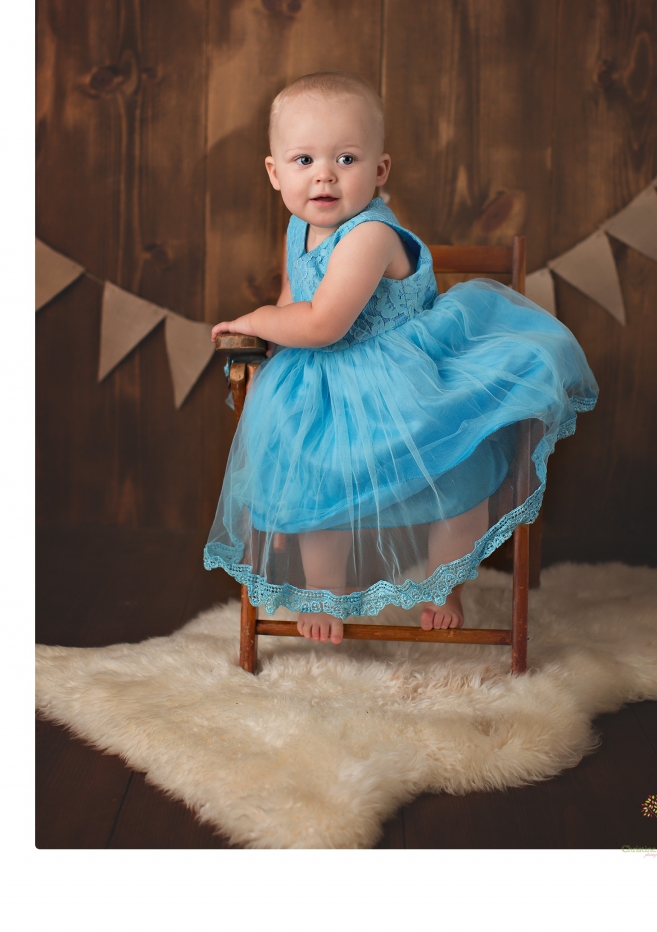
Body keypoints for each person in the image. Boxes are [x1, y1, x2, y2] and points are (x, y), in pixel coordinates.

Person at [206, 71, 598, 644]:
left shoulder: (369, 235)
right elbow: (298, 302)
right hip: (326, 379)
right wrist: (274, 337)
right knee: (319, 487)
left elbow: (323, 321)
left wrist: (255, 320)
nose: (324, 175)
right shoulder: (299, 227)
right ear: (274, 172)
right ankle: (326, 590)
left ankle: (445, 582)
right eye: (303, 160)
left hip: (403, 378)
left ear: (379, 170)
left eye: (345, 158)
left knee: (457, 486)